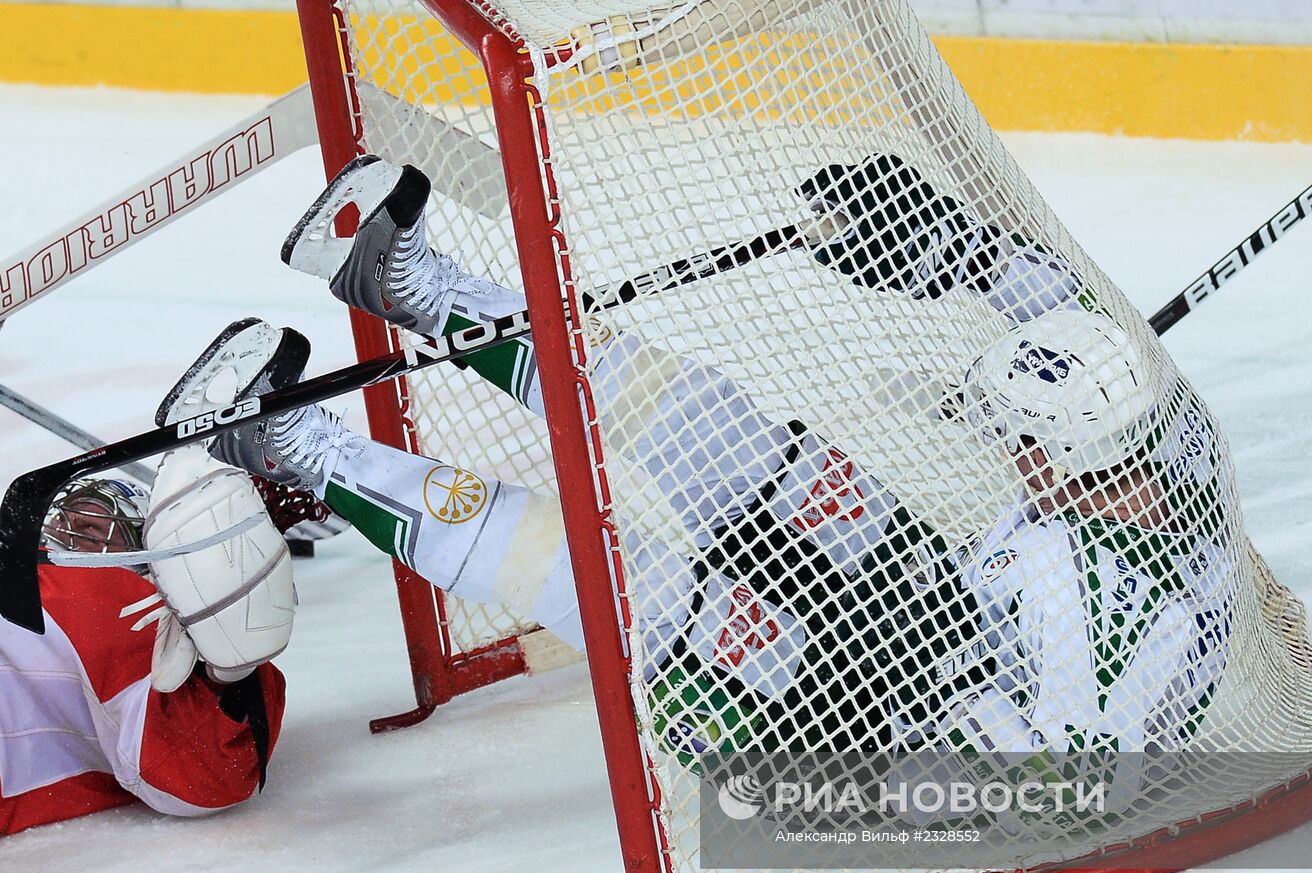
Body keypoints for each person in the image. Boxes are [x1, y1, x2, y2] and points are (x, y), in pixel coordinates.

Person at [165, 155, 1232, 766]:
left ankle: (288, 444)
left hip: (852, 730)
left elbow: (1048, 788)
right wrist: (956, 251)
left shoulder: (1093, 608)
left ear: (1062, 454)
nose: (1003, 453)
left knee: (615, 568)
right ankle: (413, 285)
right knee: (713, 426)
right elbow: (1082, 320)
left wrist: (904, 702)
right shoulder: (1163, 443)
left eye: (1017, 443)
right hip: (929, 605)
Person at [0, 459, 293, 835]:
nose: (66, 539)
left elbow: (200, 778)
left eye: (90, 528)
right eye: (60, 525)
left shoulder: (123, 605)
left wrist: (229, 678)